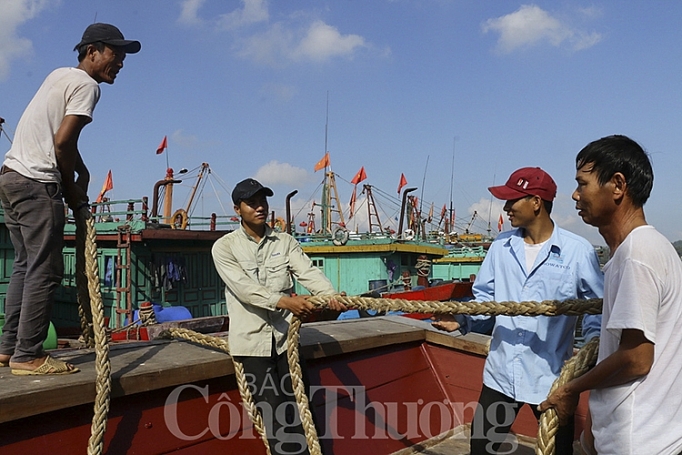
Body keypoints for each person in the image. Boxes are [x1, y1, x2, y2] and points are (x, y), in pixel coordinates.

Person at [0, 23, 140, 376]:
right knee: (45, 270)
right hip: (37, 184)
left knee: (24, 265)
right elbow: (62, 142)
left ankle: (7, 350)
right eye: (114, 54)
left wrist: (83, 170)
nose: (120, 62)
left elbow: (58, 137)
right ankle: (28, 355)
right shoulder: (87, 86)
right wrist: (71, 185)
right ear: (92, 51)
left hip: (11, 177)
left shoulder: (59, 75)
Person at [433, 167, 603, 455]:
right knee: (481, 449)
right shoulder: (501, 246)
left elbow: (597, 309)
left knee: (558, 450)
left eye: (513, 200)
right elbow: (486, 300)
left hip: (550, 378)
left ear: (536, 202)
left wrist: (587, 353)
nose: (506, 207)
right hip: (501, 374)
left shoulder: (577, 252)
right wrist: (463, 319)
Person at [540, 135, 682, 455]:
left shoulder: (637, 254)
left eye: (583, 184)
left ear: (617, 185)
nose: (575, 195)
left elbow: (636, 358)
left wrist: (571, 389)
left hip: (638, 441)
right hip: (651, 433)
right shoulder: (647, 249)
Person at [211, 178, 346, 455]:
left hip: (286, 342)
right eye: (252, 203)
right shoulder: (224, 248)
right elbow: (245, 290)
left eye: (263, 201)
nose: (260, 208)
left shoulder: (285, 242)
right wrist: (285, 301)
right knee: (275, 417)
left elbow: (308, 272)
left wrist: (330, 296)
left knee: (301, 408)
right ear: (238, 209)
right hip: (253, 347)